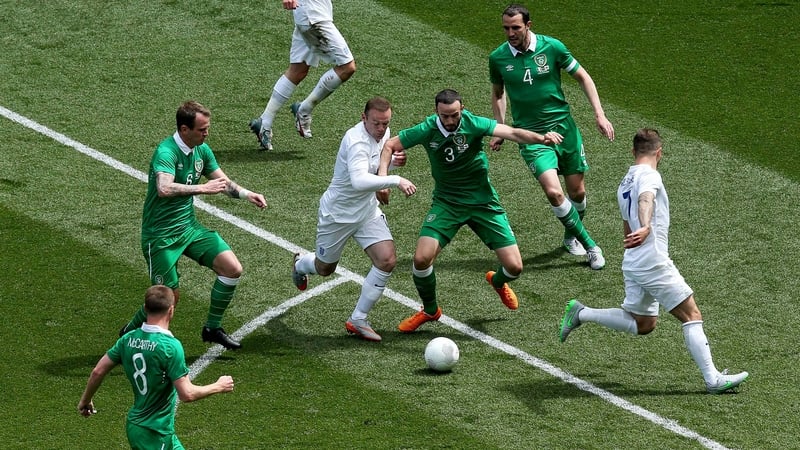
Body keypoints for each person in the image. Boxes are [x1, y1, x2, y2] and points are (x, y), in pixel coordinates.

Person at [558, 128, 749, 394]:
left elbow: (627, 228)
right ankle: (712, 379)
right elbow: (645, 198)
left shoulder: (624, 181)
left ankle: (581, 313)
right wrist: (646, 226)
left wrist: (638, 235)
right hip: (652, 260)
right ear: (659, 153)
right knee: (691, 315)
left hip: (634, 261)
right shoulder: (649, 175)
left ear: (633, 151)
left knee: (643, 323)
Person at [378, 89, 563, 333]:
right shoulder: (426, 129)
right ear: (437, 112)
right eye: (445, 116)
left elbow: (512, 132)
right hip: (447, 203)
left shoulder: (473, 123)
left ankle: (497, 282)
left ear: (462, 109)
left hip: (483, 203)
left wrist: (542, 138)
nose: (451, 121)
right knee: (421, 259)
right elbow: (390, 145)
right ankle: (430, 310)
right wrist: (383, 178)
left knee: (515, 268)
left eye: (454, 115)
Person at [120, 101, 268, 350]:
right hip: (160, 236)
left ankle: (212, 328)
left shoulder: (201, 150)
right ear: (184, 129)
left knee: (232, 268)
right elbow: (164, 187)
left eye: (207, 128)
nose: (206, 133)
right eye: (202, 129)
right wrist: (202, 188)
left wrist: (247, 194)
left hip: (188, 228)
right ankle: (129, 333)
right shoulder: (166, 152)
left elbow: (223, 182)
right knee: (169, 298)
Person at [488, 3, 614, 270]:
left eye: (515, 28)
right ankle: (591, 245)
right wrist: (501, 128)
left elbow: (583, 77)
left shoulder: (552, 47)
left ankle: (572, 234)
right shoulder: (498, 58)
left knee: (576, 191)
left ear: (528, 26)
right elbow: (498, 93)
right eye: (506, 28)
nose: (510, 33)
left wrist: (599, 115)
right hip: (531, 137)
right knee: (555, 193)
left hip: (564, 129)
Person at [292, 97, 416, 342]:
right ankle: (300, 263)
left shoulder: (383, 132)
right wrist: (396, 179)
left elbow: (375, 165)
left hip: (367, 212)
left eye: (385, 123)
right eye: (376, 124)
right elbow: (359, 181)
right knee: (325, 269)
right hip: (338, 215)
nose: (381, 129)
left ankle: (358, 318)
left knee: (387, 259)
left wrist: (391, 163)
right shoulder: (355, 140)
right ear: (363, 118)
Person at [79, 285, 235, 449]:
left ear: (145, 308)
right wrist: (218, 386)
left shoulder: (127, 339)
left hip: (152, 429)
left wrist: (86, 400)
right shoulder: (170, 347)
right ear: (171, 310)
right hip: (152, 432)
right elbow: (187, 394)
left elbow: (98, 371)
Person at [249, 0, 356, 150]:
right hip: (313, 15)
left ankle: (264, 122)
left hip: (312, 11)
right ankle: (304, 109)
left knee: (298, 69)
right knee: (347, 67)